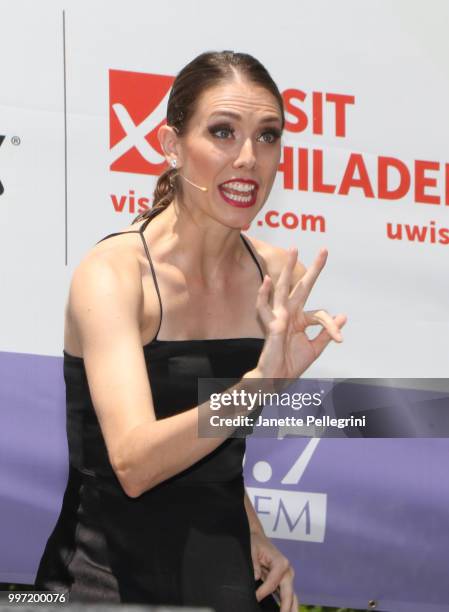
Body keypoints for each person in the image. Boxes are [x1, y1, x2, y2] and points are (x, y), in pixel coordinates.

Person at [34, 50, 346, 611]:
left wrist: (252, 527)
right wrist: (258, 386)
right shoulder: (113, 276)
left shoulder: (277, 275)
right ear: (171, 145)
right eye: (223, 132)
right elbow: (134, 463)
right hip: (101, 580)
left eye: (268, 136)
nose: (249, 159)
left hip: (222, 571)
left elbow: (211, 447)